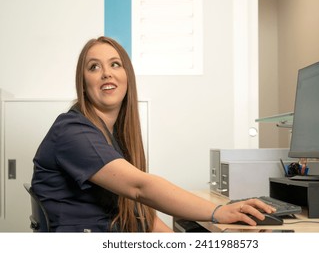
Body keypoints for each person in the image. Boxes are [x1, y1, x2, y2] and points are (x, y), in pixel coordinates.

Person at [31, 36, 275, 232]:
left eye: (115, 64)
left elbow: (140, 216)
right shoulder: (73, 132)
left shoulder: (110, 136)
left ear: (127, 76)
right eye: (94, 67)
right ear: (83, 83)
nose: (106, 72)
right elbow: (141, 187)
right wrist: (218, 211)